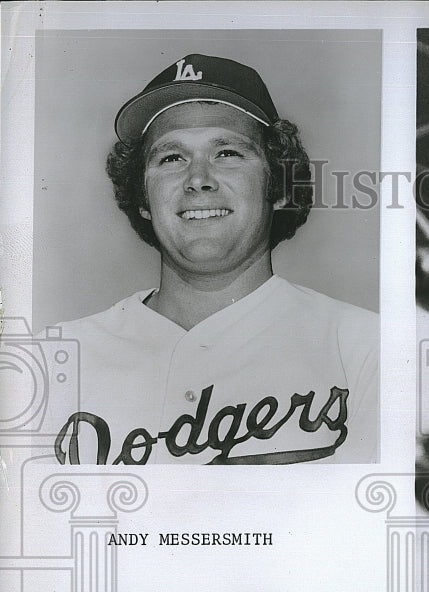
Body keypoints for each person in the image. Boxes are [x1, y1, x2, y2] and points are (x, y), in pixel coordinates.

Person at [46, 54, 377, 464]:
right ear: (143, 199)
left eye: (228, 154)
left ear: (279, 186)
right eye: (172, 158)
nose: (198, 179)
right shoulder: (55, 359)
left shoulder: (366, 350)